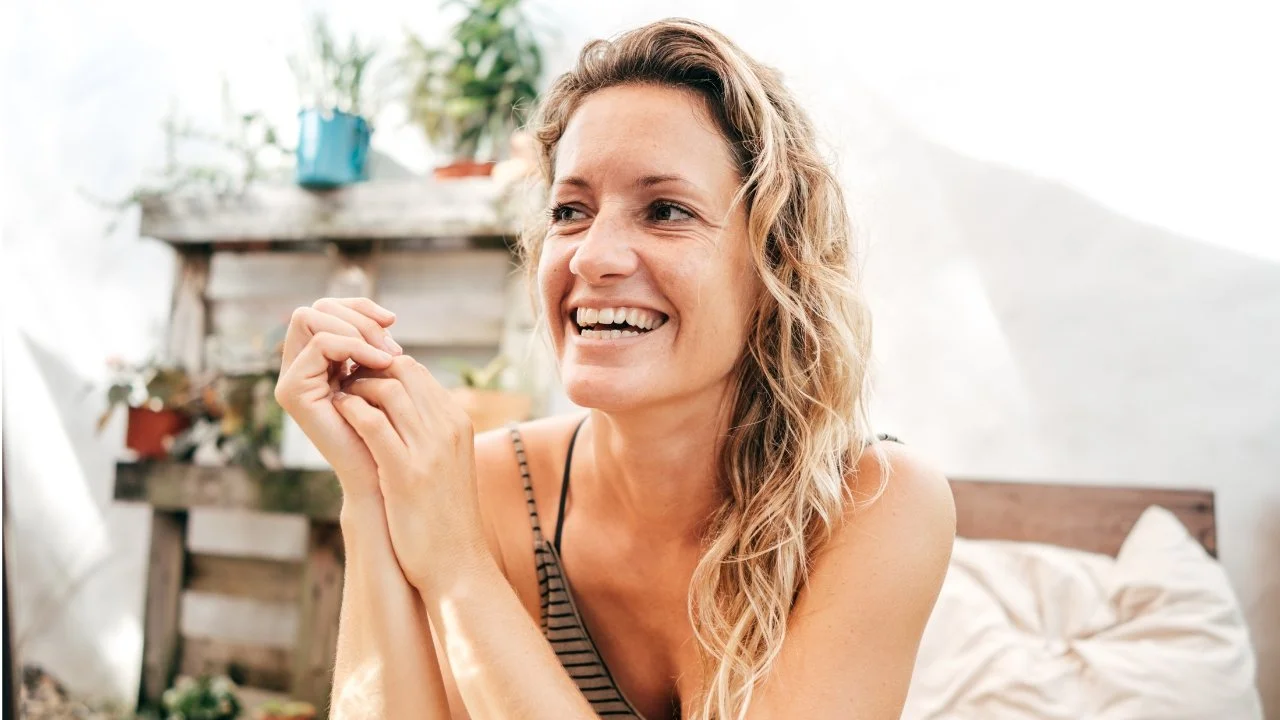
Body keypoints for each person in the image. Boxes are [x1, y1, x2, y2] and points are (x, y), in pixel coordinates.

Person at [274, 17, 956, 720]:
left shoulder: (876, 506)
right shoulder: (482, 489)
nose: (594, 257)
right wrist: (368, 492)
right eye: (571, 210)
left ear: (775, 262)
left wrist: (458, 568)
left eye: (664, 211)